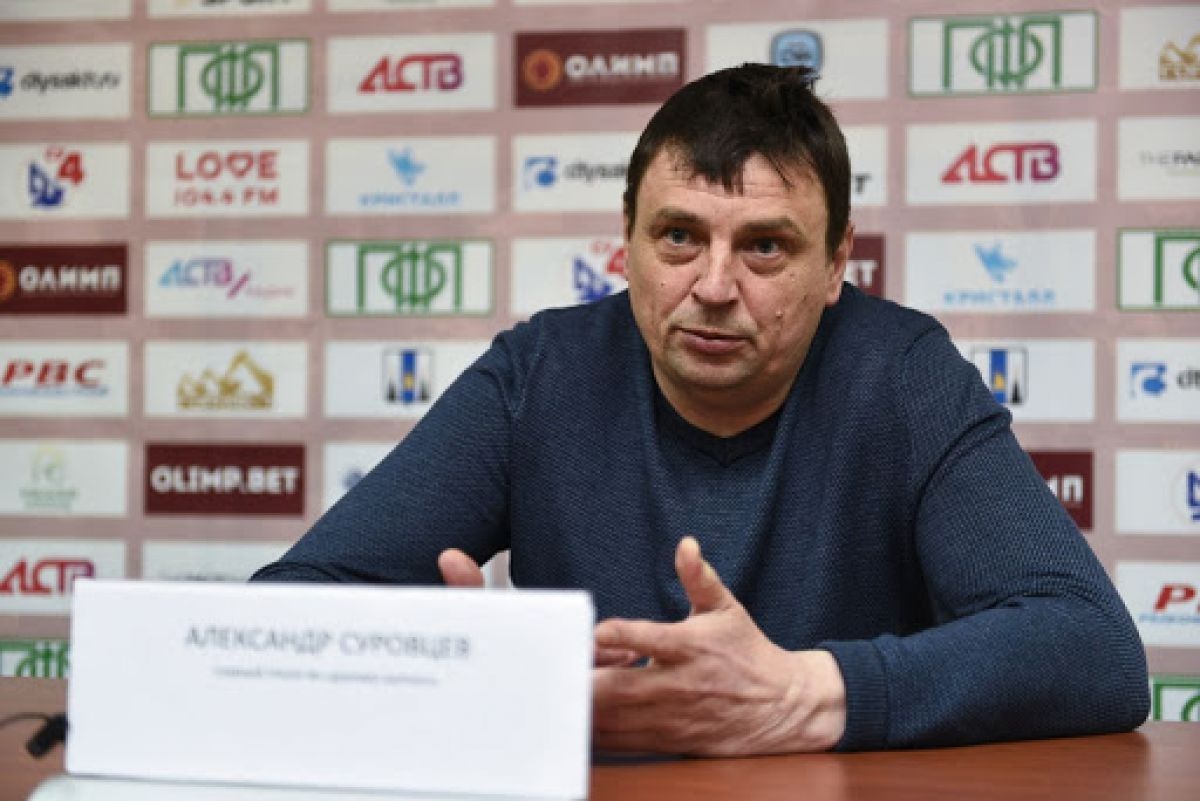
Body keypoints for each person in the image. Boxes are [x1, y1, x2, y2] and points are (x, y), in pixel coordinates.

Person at [253, 64, 1149, 753]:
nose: (714, 287)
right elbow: (287, 611)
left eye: (765, 247)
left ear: (837, 263)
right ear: (627, 241)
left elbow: (1095, 648)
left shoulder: (904, 373)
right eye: (679, 236)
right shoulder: (540, 374)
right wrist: (460, 669)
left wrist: (797, 695)